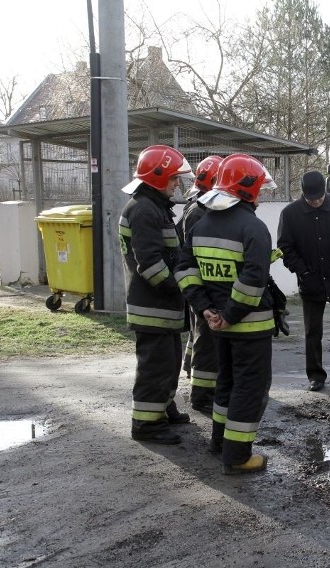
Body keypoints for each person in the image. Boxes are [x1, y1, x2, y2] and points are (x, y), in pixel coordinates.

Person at [176, 153, 279, 474]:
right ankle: (237, 456)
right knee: (250, 388)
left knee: (227, 384)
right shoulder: (254, 228)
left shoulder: (201, 224)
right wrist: (230, 314)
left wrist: (206, 309)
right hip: (249, 328)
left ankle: (219, 442)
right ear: (248, 189)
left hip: (217, 325)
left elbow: (185, 270)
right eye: (259, 188)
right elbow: (253, 281)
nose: (260, 195)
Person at [118, 144, 193, 445]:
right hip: (153, 306)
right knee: (155, 367)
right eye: (174, 178)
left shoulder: (153, 206)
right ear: (159, 177)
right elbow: (149, 264)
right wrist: (181, 289)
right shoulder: (144, 209)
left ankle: (163, 408)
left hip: (162, 307)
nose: (177, 183)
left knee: (170, 361)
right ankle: (147, 426)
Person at [277, 171, 330, 392]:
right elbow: (286, 247)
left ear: (325, 191)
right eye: (311, 198)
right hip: (311, 281)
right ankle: (315, 375)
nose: (315, 202)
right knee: (312, 331)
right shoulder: (290, 214)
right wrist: (302, 271)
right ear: (303, 194)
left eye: (319, 197)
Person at [179, 155, 223, 415]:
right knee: (206, 340)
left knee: (199, 336)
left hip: (200, 285)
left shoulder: (199, 205)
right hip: (202, 285)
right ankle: (203, 395)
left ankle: (190, 368)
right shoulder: (198, 211)